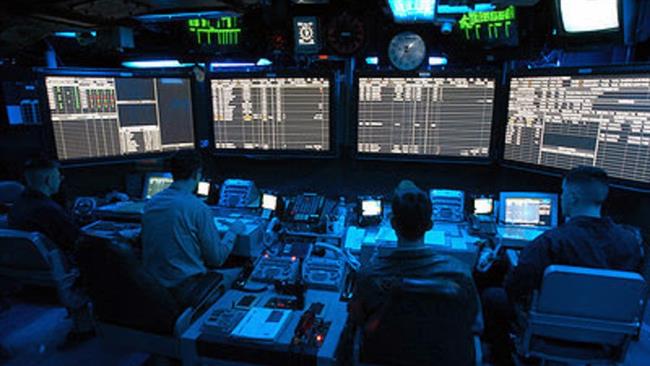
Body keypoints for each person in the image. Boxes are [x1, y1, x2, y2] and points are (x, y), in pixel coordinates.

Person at [483, 166, 644, 364]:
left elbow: (515, 287)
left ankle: (502, 359)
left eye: (563, 192)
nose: (561, 197)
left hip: (549, 331)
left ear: (573, 196)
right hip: (605, 337)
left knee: (492, 297)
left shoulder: (551, 241)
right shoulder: (631, 243)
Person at [348, 180, 479, 366]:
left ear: (392, 223)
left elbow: (357, 318)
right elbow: (475, 324)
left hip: (384, 356)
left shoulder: (370, 275)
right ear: (430, 225)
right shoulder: (459, 274)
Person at [142, 150, 244, 307]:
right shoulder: (197, 207)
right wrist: (233, 232)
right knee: (243, 271)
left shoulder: (152, 203)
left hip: (155, 287)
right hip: (186, 288)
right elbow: (217, 259)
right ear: (197, 174)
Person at [8, 159, 79, 252]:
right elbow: (76, 240)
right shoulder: (49, 210)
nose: (61, 179)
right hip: (59, 262)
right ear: (48, 180)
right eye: (58, 176)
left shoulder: (17, 204)